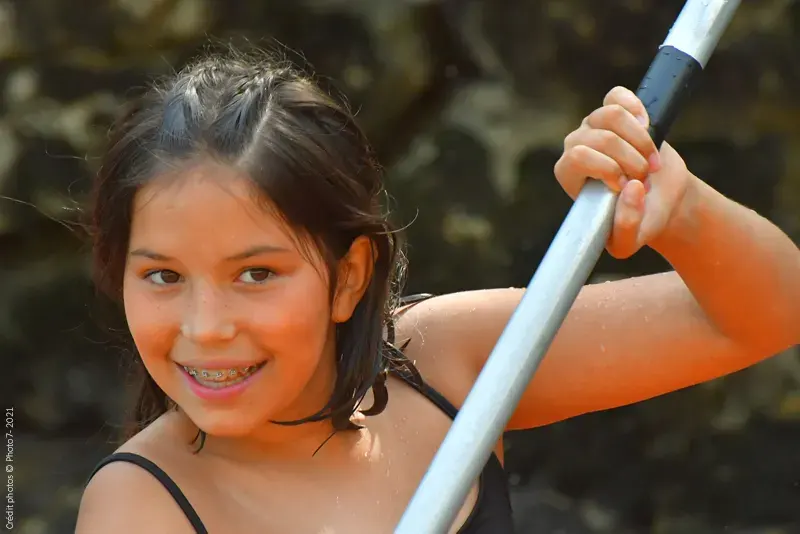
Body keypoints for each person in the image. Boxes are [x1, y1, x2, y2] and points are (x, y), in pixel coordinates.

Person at [75, 48, 799, 534]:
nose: (205, 327)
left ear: (348, 277)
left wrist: (681, 209)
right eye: (163, 276)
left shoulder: (445, 359)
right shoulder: (139, 505)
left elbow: (766, 315)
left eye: (256, 274)